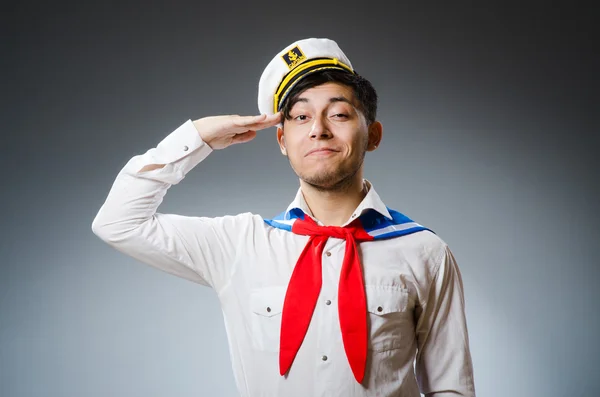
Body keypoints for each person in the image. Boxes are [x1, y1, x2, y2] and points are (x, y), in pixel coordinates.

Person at [92, 37, 476, 397]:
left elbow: (450, 387)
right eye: (300, 117)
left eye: (339, 114)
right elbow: (118, 222)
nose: (318, 130)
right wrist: (199, 136)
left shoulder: (425, 251)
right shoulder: (239, 245)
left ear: (373, 135)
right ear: (281, 140)